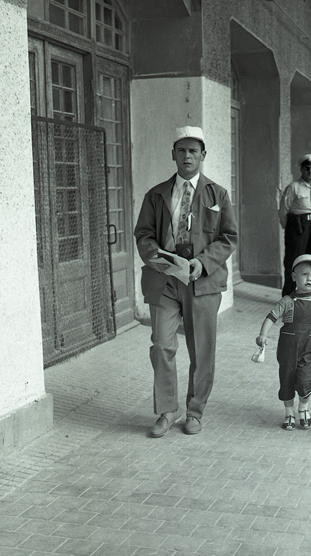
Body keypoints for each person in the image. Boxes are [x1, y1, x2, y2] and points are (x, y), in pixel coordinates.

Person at [134, 126, 238, 437]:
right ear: (173, 155)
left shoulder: (218, 194)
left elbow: (229, 237)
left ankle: (195, 411)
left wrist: (202, 262)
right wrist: (158, 258)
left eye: (193, 151)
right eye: (181, 150)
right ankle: (168, 410)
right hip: (165, 279)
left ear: (203, 155)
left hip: (202, 281)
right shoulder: (156, 195)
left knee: (201, 350)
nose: (187, 156)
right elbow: (143, 234)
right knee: (161, 345)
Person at [255, 254, 311, 430]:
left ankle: (303, 408)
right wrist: (263, 334)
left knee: (305, 379)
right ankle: (289, 413)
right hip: (288, 349)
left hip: (308, 348)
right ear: (294, 277)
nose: (309, 279)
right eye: (304, 274)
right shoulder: (287, 301)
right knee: (286, 379)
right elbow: (271, 317)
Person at [279, 154, 311, 296]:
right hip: (297, 226)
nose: (310, 171)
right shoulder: (294, 187)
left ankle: (309, 294)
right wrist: (289, 228)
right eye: (307, 168)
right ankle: (289, 295)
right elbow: (283, 210)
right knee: (294, 260)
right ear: (302, 169)